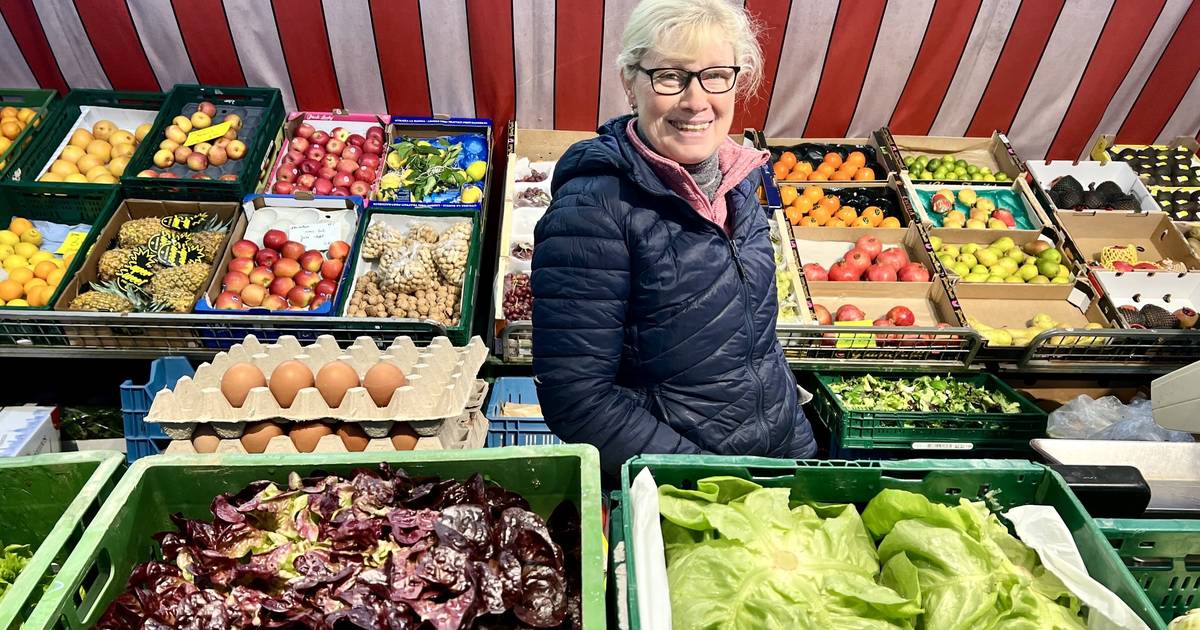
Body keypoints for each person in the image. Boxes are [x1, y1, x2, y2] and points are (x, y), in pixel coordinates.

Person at [531, 0, 817, 475]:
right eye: (670, 76)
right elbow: (577, 399)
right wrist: (709, 481)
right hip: (687, 490)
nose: (695, 100)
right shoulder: (592, 211)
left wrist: (799, 446)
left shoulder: (740, 181)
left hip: (780, 458)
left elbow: (757, 346)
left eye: (715, 74)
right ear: (630, 82)